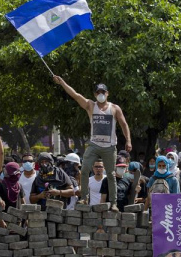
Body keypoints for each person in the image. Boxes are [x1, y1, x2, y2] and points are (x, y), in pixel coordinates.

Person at [53, 76, 132, 212]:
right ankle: (84, 198)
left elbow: (124, 124)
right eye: (98, 92)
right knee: (84, 169)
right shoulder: (91, 105)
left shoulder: (114, 108)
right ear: (95, 94)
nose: (101, 94)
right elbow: (75, 95)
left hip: (109, 146)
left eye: (103, 92)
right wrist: (62, 83)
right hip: (94, 145)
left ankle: (113, 203)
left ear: (107, 93)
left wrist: (128, 140)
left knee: (111, 175)